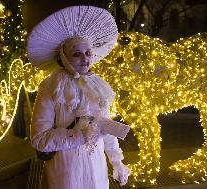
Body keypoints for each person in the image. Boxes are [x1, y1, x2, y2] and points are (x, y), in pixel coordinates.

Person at [27, 5, 131, 189]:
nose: (85, 58)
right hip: (66, 174)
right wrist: (79, 136)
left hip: (97, 175)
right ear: (64, 57)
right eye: (77, 53)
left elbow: (104, 126)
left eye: (88, 52)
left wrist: (116, 161)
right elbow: (39, 139)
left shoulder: (97, 86)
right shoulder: (52, 87)